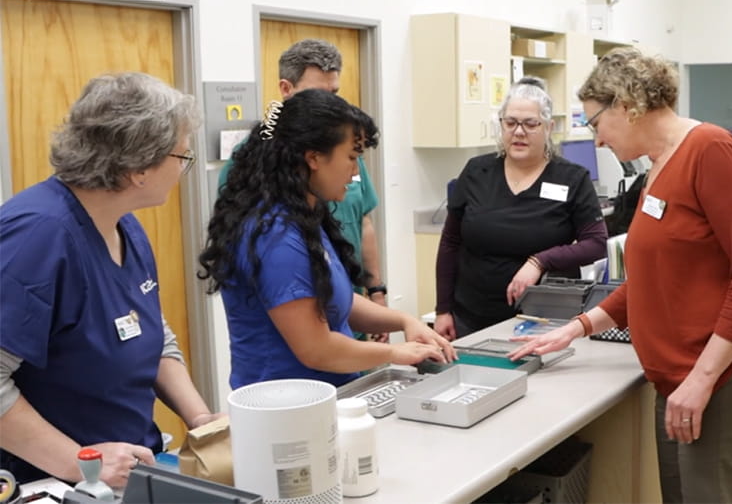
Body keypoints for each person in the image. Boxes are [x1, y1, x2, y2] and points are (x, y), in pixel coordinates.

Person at [508, 48, 732, 503]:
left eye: (596, 124)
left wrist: (701, 379)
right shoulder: (659, 165)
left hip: (721, 377)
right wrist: (577, 328)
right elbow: (656, 278)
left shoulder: (711, 151)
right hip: (677, 377)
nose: (596, 141)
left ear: (626, 105)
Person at [0, 72, 223, 487]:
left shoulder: (126, 228)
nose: (183, 170)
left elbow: (151, 333)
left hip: (128, 469)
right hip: (51, 482)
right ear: (139, 168)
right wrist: (79, 461)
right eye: (182, 158)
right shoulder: (37, 234)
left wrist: (201, 419)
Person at [198, 89, 456, 390]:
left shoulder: (303, 216)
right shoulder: (274, 237)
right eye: (351, 157)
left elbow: (335, 297)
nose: (356, 170)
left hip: (330, 396)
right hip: (287, 407)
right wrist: (395, 353)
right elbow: (316, 349)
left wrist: (402, 320)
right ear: (314, 158)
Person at [217, 38, 388, 342]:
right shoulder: (253, 162)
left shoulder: (341, 152)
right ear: (286, 89)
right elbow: (315, 347)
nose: (333, 106)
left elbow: (363, 220)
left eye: (335, 93)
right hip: (297, 322)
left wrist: (376, 291)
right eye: (319, 94)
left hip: (347, 307)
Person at [434, 77, 608, 340]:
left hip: (542, 321)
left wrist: (539, 261)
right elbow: (450, 242)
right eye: (511, 122)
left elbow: (596, 243)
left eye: (530, 124)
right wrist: (442, 310)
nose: (518, 132)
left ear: (548, 127)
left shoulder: (571, 178)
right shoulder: (476, 171)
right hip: (471, 316)